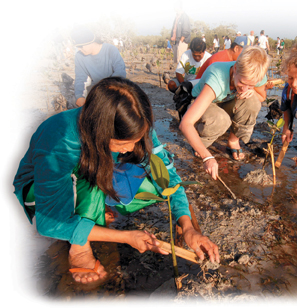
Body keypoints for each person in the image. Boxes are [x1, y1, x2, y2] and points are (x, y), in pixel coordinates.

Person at [13, 77, 220, 284]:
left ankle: (94, 208)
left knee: (159, 187)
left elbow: (168, 177)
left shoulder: (137, 122)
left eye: (136, 140)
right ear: (101, 131)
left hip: (102, 169)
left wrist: (187, 226)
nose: (131, 148)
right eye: (124, 142)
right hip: (41, 189)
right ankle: (79, 245)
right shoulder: (60, 139)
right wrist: (127, 237)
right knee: (91, 177)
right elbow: (49, 223)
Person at [179, 46, 269, 175]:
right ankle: (202, 143)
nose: (245, 89)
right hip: (204, 104)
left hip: (226, 102)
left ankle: (233, 140)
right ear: (236, 69)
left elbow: (261, 97)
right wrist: (207, 157)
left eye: (251, 85)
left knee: (253, 101)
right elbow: (185, 123)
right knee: (221, 120)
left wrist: (251, 91)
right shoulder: (217, 77)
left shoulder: (257, 73)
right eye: (242, 83)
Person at [71, 26, 126, 107]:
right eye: (77, 47)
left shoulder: (111, 50)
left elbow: (120, 73)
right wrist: (79, 96)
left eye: (80, 46)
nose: (79, 49)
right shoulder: (79, 56)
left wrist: (105, 89)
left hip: (113, 88)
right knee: (75, 102)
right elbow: (80, 78)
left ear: (90, 42)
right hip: (95, 90)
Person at [280, 45, 297, 145]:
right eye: (291, 77)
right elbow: (287, 109)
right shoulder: (288, 90)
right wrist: (287, 127)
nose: (294, 84)